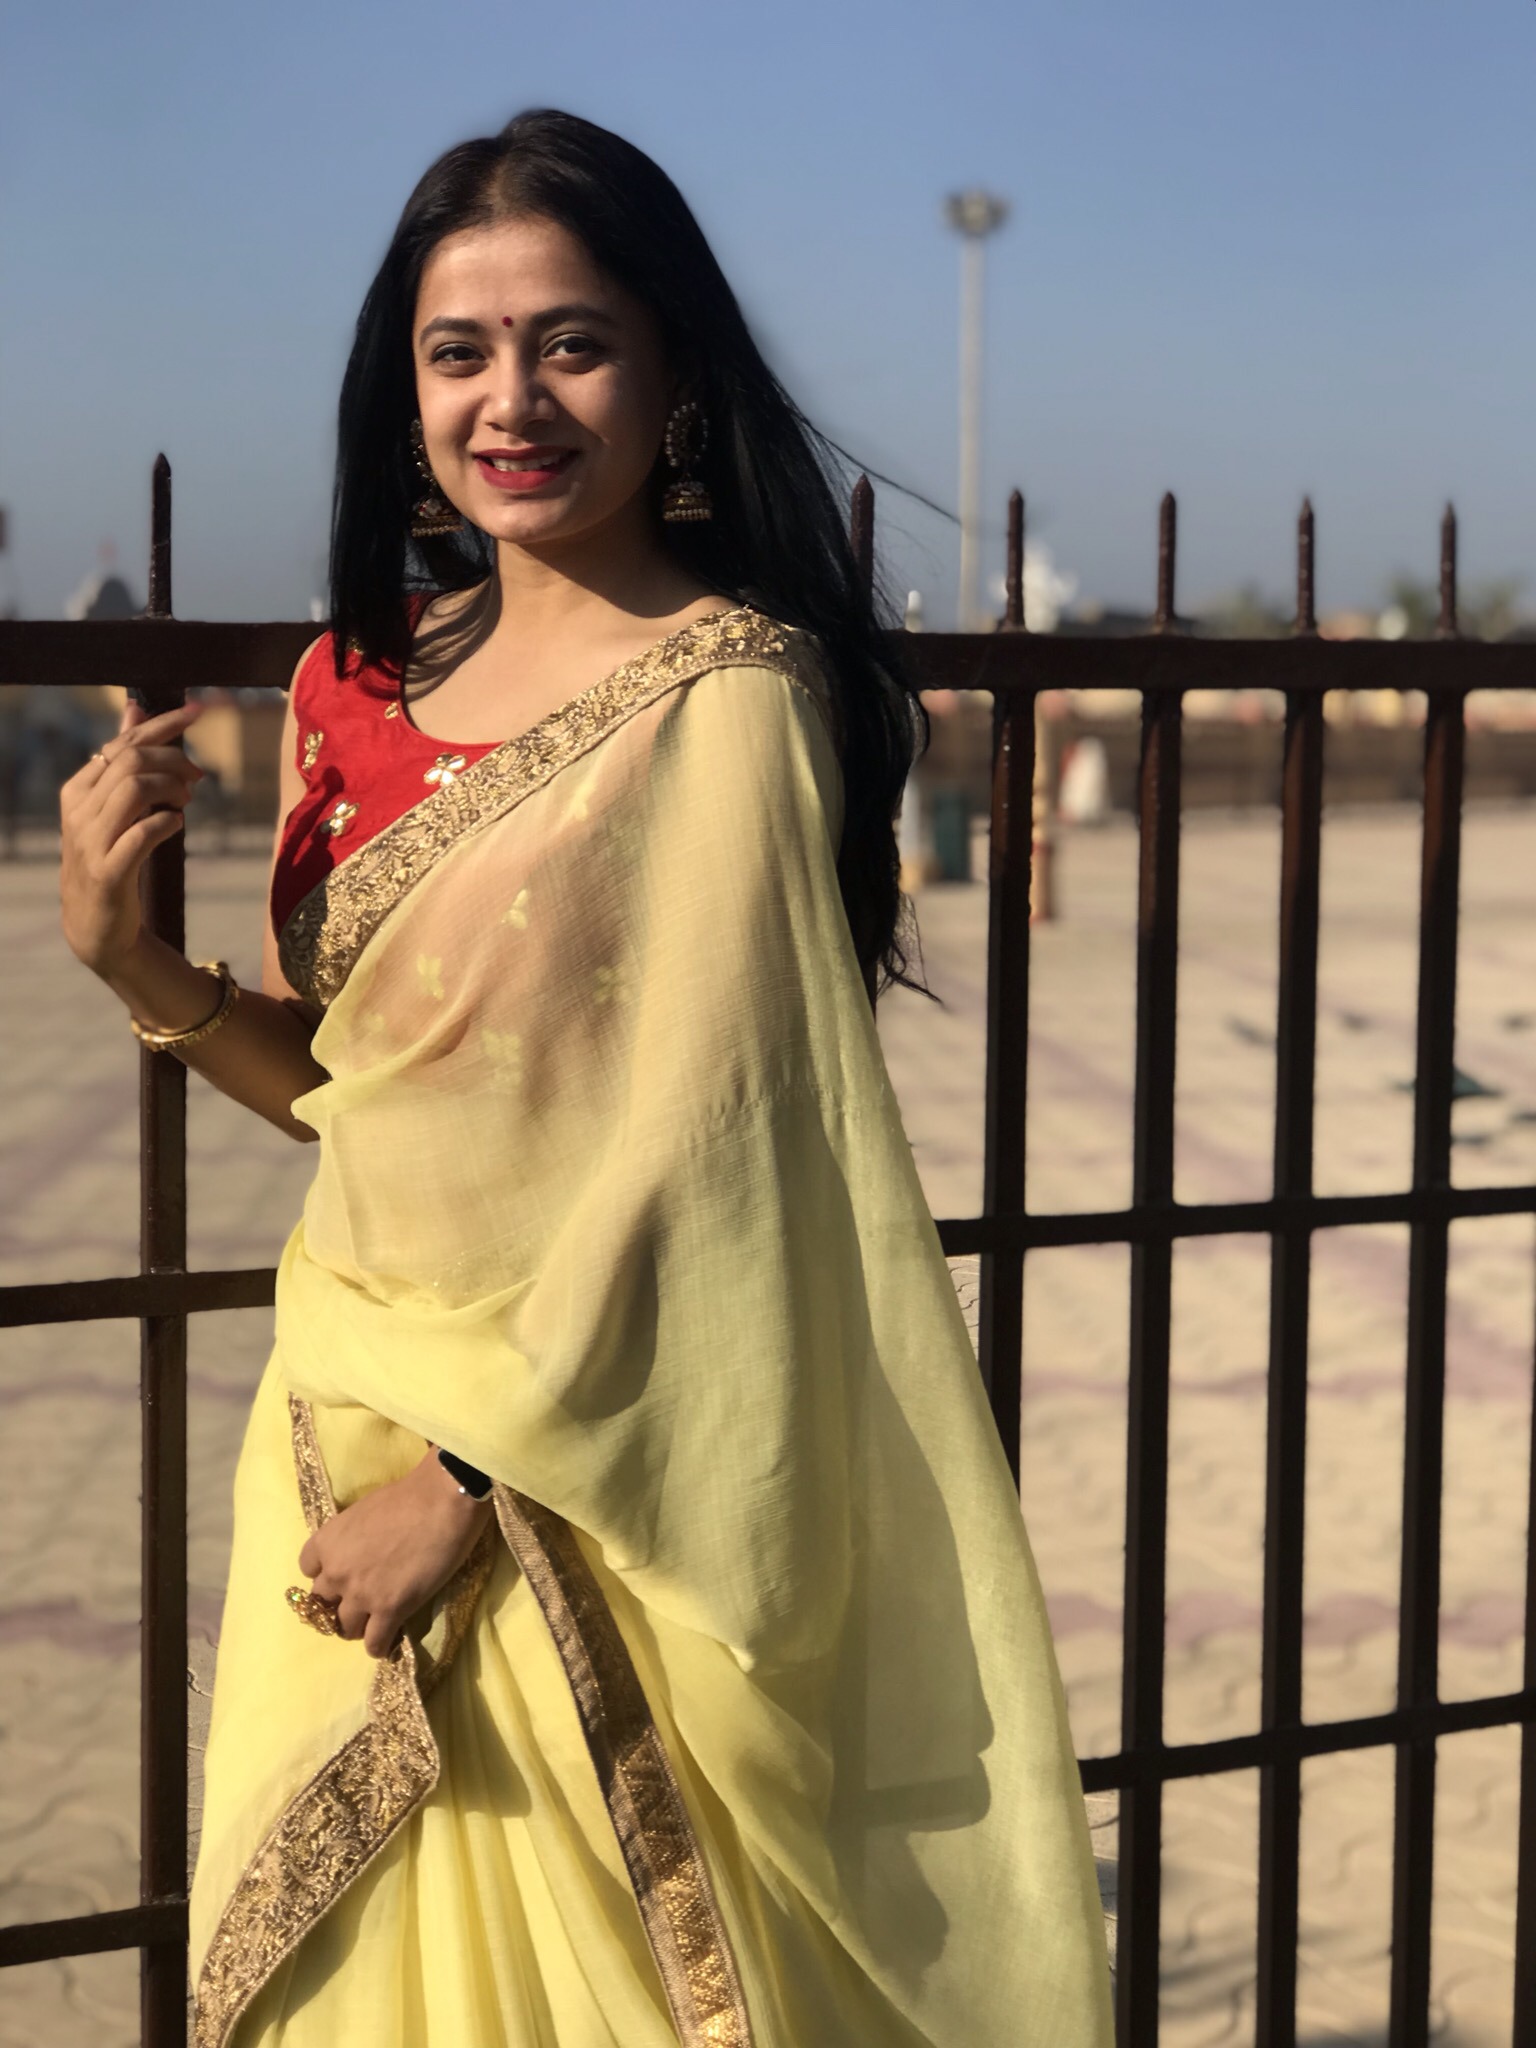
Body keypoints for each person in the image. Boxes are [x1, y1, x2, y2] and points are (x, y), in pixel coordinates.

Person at [58, 108, 1113, 2048]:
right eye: (460, 352)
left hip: (574, 1484)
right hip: (341, 1426)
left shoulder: (730, 693)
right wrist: (141, 969)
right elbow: (357, 1096)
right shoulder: (351, 690)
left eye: (574, 344)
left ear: (672, 377)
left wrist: (471, 1485)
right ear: (407, 392)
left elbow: (708, 1153)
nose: (512, 400)